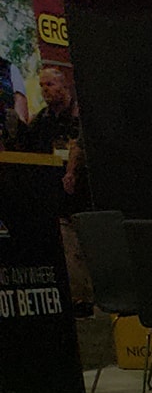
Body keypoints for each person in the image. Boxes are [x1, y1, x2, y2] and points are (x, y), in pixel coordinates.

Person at [11, 63, 92, 309]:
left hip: (86, 192)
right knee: (68, 245)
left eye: (50, 84)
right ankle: (80, 299)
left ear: (64, 85)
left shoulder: (79, 114)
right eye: (42, 85)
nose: (45, 90)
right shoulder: (42, 120)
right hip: (56, 195)